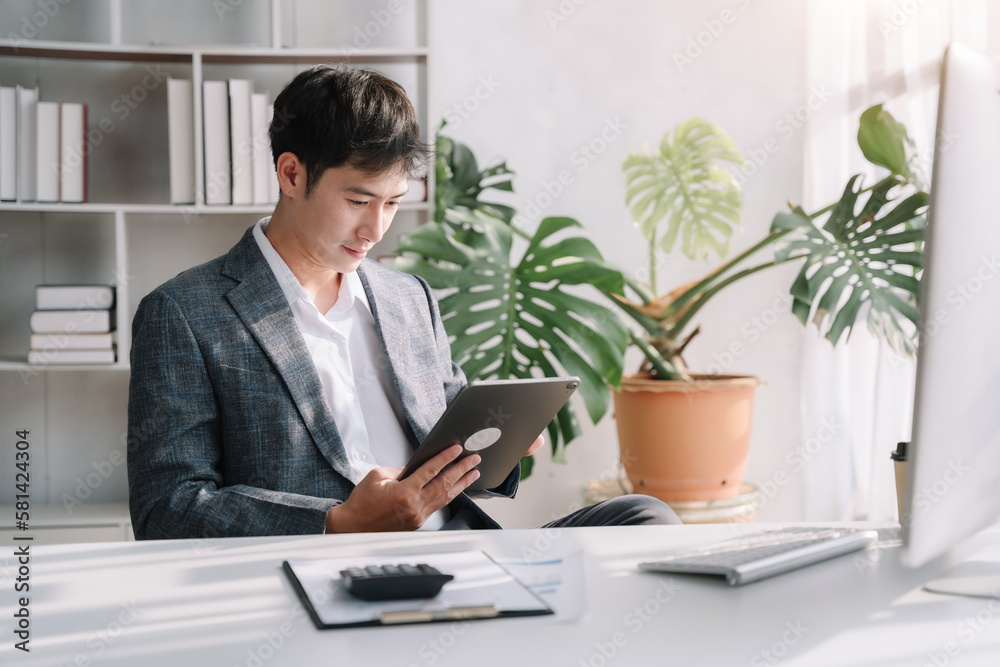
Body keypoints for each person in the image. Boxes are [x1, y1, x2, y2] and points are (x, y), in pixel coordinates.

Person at [126, 65, 679, 539]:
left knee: (645, 517)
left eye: (392, 203)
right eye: (358, 199)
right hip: (326, 566)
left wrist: (502, 445)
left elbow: (454, 444)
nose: (375, 229)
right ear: (291, 174)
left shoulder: (406, 297)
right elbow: (165, 507)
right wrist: (336, 521)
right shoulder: (184, 313)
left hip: (456, 548)